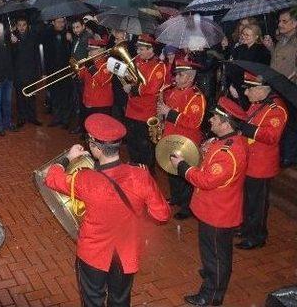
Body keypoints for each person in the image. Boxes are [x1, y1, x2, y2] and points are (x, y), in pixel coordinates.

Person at [44, 113, 171, 307]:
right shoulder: (140, 175)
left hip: (93, 253)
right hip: (126, 252)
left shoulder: (85, 179)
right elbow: (161, 215)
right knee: (120, 300)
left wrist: (68, 157)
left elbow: (51, 178)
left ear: (95, 147)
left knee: (92, 300)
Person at [170, 96, 248, 306]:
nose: (211, 120)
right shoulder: (228, 141)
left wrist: (183, 166)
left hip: (218, 213)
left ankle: (212, 294)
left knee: (215, 252)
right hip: (215, 209)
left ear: (226, 123)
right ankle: (215, 272)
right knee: (216, 250)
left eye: (215, 117)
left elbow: (206, 180)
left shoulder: (228, 152)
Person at [235, 71, 288, 250]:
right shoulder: (258, 103)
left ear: (261, 89)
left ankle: (257, 236)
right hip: (249, 160)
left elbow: (271, 136)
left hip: (261, 165)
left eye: (249, 90)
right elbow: (248, 120)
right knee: (247, 198)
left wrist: (247, 129)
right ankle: (246, 227)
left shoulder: (277, 109)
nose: (246, 93)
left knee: (257, 202)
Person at [156, 59, 206, 219]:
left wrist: (169, 113)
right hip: (171, 137)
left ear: (190, 78)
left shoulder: (197, 97)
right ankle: (176, 197)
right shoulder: (173, 91)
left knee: (185, 175)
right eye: (176, 74)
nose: (176, 78)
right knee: (172, 171)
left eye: (180, 75)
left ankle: (187, 206)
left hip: (186, 142)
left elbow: (194, 122)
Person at [124, 34, 166, 170]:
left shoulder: (159, 66)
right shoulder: (136, 61)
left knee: (145, 147)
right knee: (132, 144)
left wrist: (133, 88)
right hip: (131, 110)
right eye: (138, 49)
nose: (138, 52)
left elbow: (152, 88)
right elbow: (129, 77)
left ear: (151, 49)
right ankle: (135, 171)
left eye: (141, 49)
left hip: (146, 113)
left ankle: (147, 174)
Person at [264, 8, 297, 168]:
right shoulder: (282, 39)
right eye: (279, 21)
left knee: (290, 123)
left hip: (290, 88)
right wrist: (271, 48)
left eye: (284, 21)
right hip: (276, 85)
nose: (280, 24)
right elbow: (278, 61)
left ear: (295, 23)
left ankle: (288, 156)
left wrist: (290, 78)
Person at [11, 17, 42, 128]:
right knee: (20, 97)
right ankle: (21, 118)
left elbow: (36, 55)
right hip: (18, 72)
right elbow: (11, 57)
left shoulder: (33, 37)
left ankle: (32, 117)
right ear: (16, 26)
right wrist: (13, 44)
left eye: (24, 25)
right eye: (19, 25)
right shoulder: (12, 38)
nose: (22, 27)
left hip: (31, 71)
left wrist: (38, 71)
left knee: (32, 95)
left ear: (27, 25)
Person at [43, 17, 72, 128]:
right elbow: (44, 53)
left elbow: (71, 53)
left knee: (65, 96)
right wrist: (45, 70)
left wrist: (71, 40)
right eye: (59, 22)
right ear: (53, 22)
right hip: (52, 70)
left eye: (63, 22)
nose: (61, 24)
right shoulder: (47, 34)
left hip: (66, 70)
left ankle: (65, 120)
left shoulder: (68, 34)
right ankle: (56, 118)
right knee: (55, 95)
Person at [77, 37, 113, 124]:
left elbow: (102, 81)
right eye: (89, 50)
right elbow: (81, 77)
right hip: (88, 100)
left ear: (100, 51)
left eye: (92, 50)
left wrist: (91, 68)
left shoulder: (108, 64)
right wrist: (79, 68)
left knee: (101, 130)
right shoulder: (90, 62)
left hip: (101, 104)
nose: (89, 52)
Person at [69, 19, 91, 134]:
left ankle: (84, 128)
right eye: (73, 28)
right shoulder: (78, 38)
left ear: (83, 26)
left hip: (83, 75)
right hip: (77, 74)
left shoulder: (87, 38)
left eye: (77, 27)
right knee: (79, 102)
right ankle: (81, 126)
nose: (75, 30)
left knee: (83, 103)